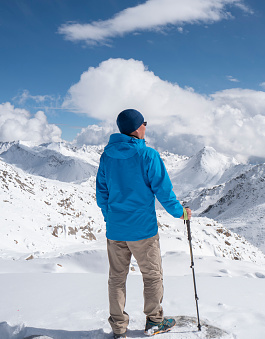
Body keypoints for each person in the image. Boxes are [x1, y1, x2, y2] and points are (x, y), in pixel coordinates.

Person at [96, 108, 191, 339]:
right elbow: (164, 193)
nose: (146, 126)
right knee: (152, 276)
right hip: (143, 231)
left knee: (117, 278)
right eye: (144, 123)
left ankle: (119, 329)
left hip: (116, 230)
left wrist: (113, 218)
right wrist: (182, 214)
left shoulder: (107, 156)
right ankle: (154, 322)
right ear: (137, 128)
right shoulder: (148, 155)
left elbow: (102, 194)